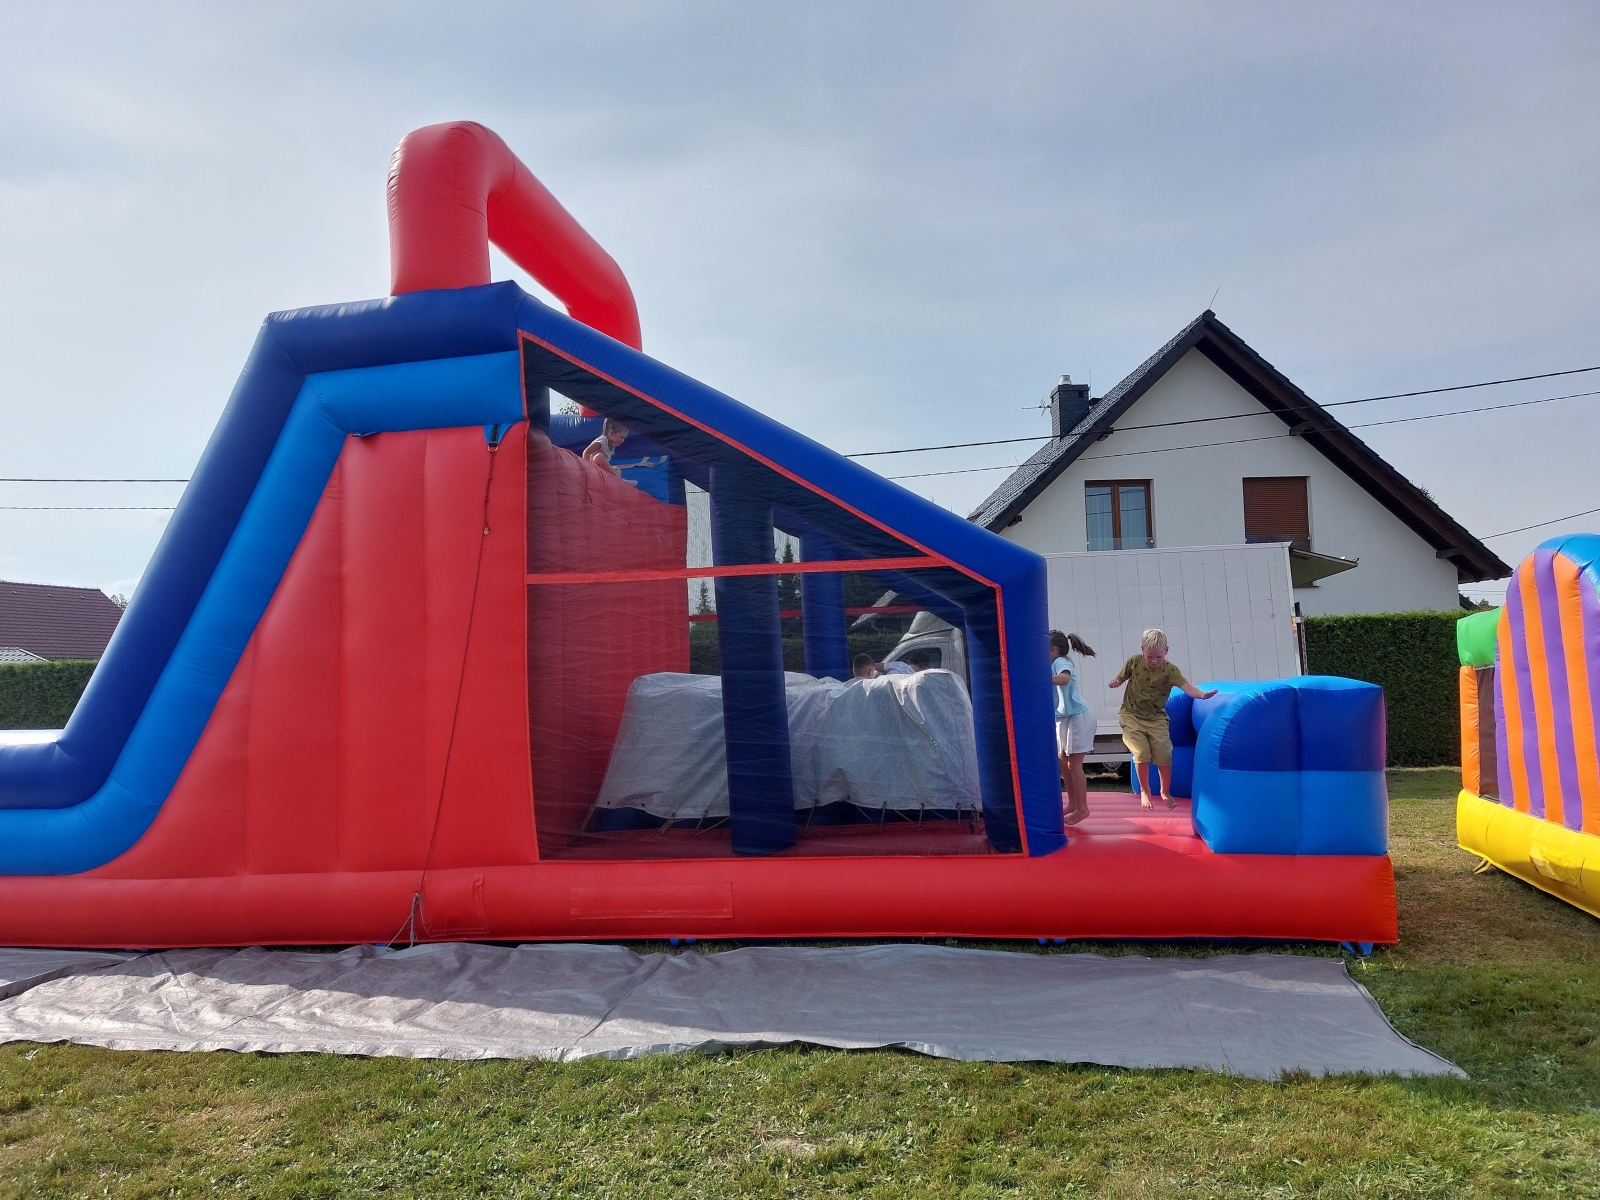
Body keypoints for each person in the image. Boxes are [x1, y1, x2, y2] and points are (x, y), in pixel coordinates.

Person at [1106, 628, 1218, 810]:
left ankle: (1165, 791)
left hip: (1156, 717)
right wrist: (1116, 681)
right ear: (1142, 650)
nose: (1154, 661)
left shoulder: (1170, 670)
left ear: (1166, 651)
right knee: (1141, 752)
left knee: (1165, 754)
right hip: (1131, 715)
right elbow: (1120, 677)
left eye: (1158, 656)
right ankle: (1145, 790)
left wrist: (1201, 695)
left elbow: (1187, 686)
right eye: (1149, 656)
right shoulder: (1134, 662)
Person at [1049, 630, 1096, 827]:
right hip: (1064, 717)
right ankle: (1073, 803)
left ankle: (1082, 808)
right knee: (1063, 761)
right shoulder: (1052, 663)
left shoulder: (1060, 662)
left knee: (1073, 764)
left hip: (1077, 717)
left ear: (1052, 650)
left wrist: (1041, 676)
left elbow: (1064, 679)